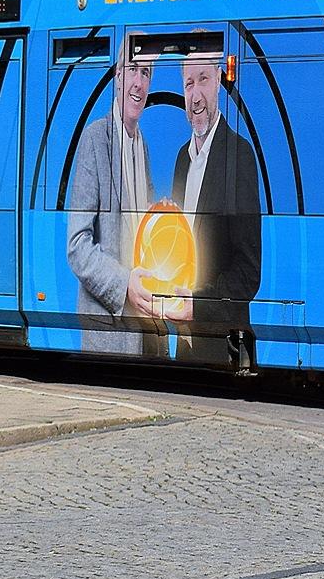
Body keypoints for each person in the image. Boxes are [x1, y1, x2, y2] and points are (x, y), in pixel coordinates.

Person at [66, 43, 165, 355]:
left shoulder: (142, 145)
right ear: (118, 76)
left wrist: (162, 219)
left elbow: (139, 229)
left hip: (144, 324)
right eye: (132, 70)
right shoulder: (95, 138)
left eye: (146, 73)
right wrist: (124, 285)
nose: (139, 82)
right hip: (108, 329)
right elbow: (77, 245)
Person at [173, 51, 264, 368]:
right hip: (185, 343)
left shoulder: (239, 155)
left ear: (218, 84)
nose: (195, 96)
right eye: (188, 84)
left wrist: (197, 307)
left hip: (223, 345)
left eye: (203, 80)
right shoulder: (182, 159)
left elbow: (248, 273)